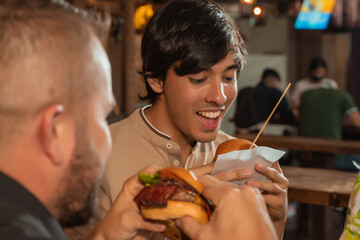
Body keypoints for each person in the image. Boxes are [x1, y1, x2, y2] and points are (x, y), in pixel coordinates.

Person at [0, 1, 279, 240]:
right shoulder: (25, 221)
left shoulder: (240, 157)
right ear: (156, 80)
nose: (219, 97)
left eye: (229, 77)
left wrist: (274, 221)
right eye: (198, 79)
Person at [299, 82, 360, 170]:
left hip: (305, 151)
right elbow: (357, 122)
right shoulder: (341, 95)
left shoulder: (306, 94)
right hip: (331, 151)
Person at [234, 68, 295, 134]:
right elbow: (288, 115)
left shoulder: (243, 91)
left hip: (238, 132)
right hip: (257, 134)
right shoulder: (274, 92)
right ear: (274, 81)